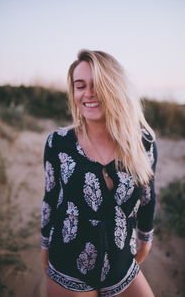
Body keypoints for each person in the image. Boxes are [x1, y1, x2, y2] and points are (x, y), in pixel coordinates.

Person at [41, 50, 157, 297]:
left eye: (98, 84)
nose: (88, 93)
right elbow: (50, 199)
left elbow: (148, 198)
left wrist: (145, 242)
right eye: (80, 86)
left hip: (122, 268)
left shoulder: (143, 144)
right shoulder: (58, 143)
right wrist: (44, 247)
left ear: (114, 87)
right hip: (68, 270)